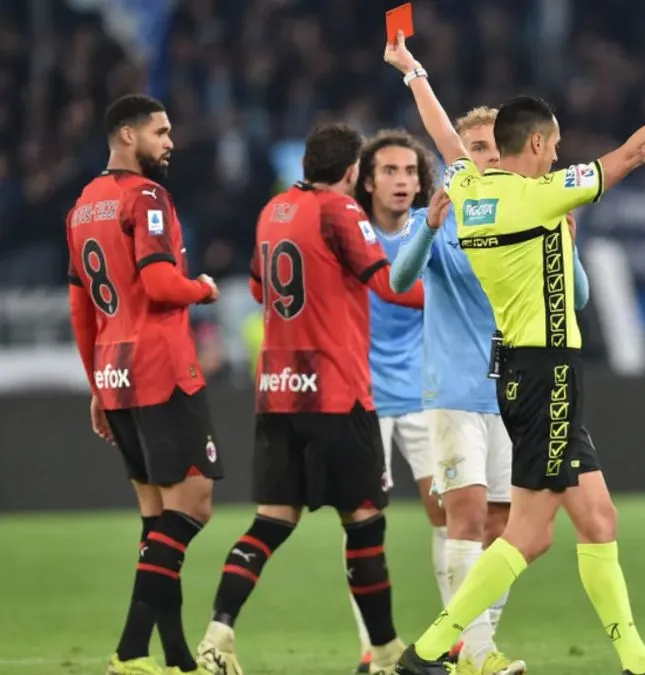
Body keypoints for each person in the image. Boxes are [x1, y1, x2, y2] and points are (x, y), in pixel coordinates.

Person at [383, 31, 645, 675]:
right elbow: (636, 151)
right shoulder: (537, 195)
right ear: (540, 145)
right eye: (555, 145)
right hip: (542, 374)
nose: (560, 155)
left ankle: (636, 662)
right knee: (530, 533)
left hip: (533, 373)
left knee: (599, 518)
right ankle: (429, 651)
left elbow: (447, 143)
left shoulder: (468, 189)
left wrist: (413, 74)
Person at [194, 123, 425, 675]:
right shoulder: (341, 212)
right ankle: (389, 652)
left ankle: (217, 639)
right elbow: (390, 284)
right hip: (337, 393)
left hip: (278, 394)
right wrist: (461, 295)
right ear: (353, 173)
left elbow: (256, 288)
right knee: (365, 520)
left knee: (271, 520)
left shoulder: (274, 210)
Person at [388, 105, 592, 675]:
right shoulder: (446, 215)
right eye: (475, 148)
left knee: (506, 528)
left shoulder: (531, 212)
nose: (488, 158)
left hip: (512, 388)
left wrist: (569, 245)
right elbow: (399, 281)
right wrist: (427, 225)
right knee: (468, 516)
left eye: (493, 149)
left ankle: (473, 644)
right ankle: (475, 652)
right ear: (459, 159)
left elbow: (577, 297)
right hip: (452, 386)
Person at [66, 93, 222, 675]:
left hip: (115, 371)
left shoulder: (83, 206)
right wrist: (203, 287)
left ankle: (177, 659)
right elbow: (160, 284)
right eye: (160, 131)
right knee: (194, 506)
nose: (170, 142)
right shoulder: (147, 196)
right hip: (160, 369)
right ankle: (131, 651)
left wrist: (97, 387)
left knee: (157, 521)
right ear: (127, 136)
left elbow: (81, 309)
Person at [345, 128, 446, 675]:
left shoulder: (429, 235)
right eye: (390, 171)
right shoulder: (349, 233)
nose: (403, 181)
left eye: (410, 171)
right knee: (364, 526)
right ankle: (373, 648)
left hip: (423, 395)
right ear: (367, 179)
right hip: (362, 399)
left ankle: (456, 637)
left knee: (447, 514)